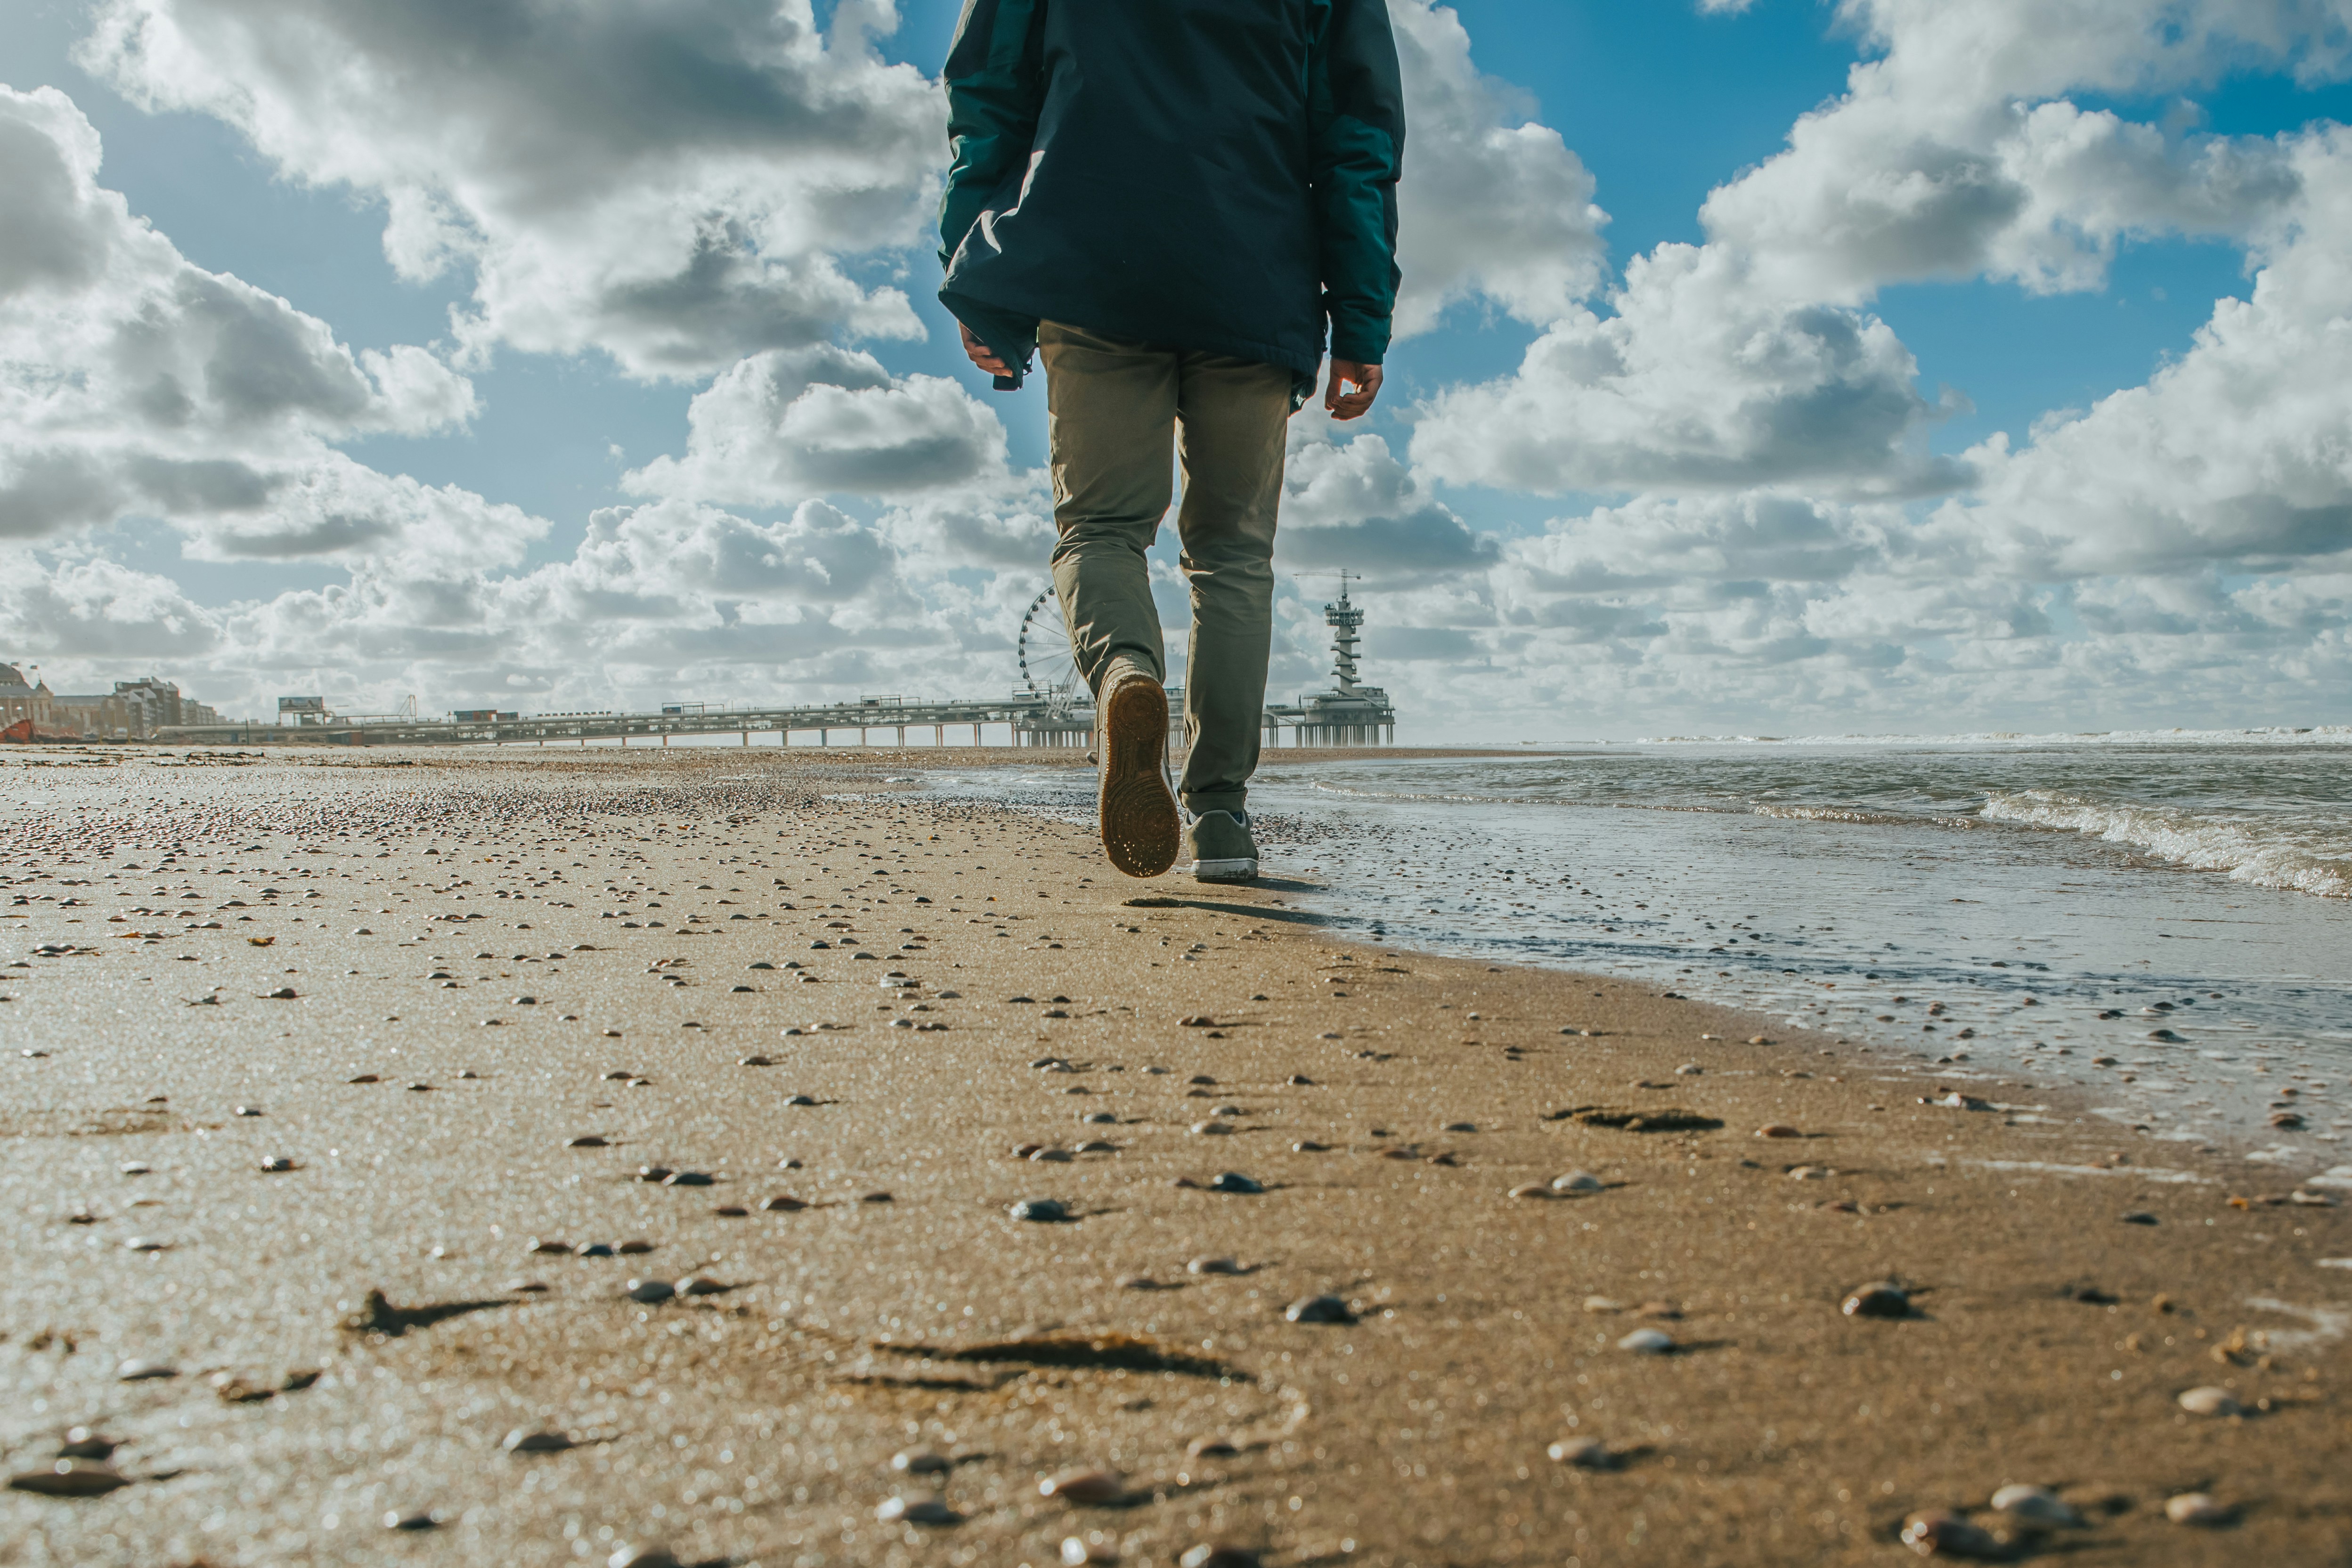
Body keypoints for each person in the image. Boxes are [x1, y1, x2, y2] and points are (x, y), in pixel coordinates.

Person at [937, 0, 1404, 883]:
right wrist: (1361, 318)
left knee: (1101, 530)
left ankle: (1124, 680)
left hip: (1088, 259)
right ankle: (1220, 816)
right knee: (1232, 556)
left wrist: (973, 266)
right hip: (1254, 274)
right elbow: (1357, 137)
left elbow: (987, 93)